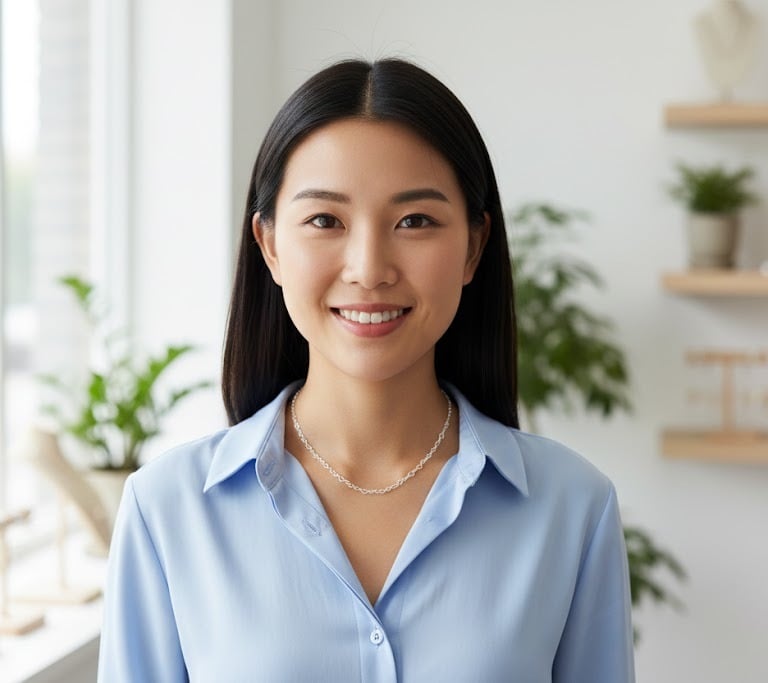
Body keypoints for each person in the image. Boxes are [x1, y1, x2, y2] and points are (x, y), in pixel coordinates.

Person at [98, 58, 635, 682]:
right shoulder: (166, 511)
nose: (369, 267)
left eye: (415, 221)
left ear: (474, 246)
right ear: (270, 245)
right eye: (325, 220)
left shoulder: (572, 508)